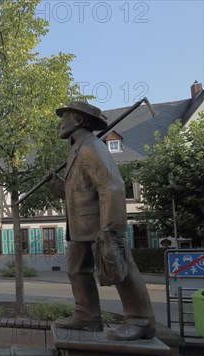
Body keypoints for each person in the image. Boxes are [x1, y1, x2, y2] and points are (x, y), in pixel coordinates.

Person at [49, 100, 155, 341]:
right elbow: (77, 191)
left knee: (121, 269)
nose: (59, 123)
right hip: (80, 227)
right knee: (76, 270)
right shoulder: (77, 149)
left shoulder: (92, 148)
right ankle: (86, 316)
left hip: (99, 225)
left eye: (63, 117)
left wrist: (109, 229)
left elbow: (112, 187)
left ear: (77, 120)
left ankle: (141, 320)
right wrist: (57, 185)